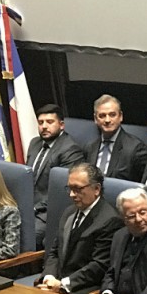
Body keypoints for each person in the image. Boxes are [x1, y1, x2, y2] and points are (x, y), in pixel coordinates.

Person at [37, 164, 123, 294]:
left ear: (96, 189)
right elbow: (55, 251)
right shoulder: (69, 212)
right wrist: (49, 276)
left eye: (77, 189)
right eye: (70, 188)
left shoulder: (109, 220)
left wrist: (63, 284)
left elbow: (99, 266)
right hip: (56, 283)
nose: (72, 194)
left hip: (83, 289)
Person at [26, 104, 85, 249]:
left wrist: (34, 208)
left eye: (50, 122)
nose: (44, 126)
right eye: (41, 123)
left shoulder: (70, 149)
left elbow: (61, 192)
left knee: (26, 236)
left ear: (61, 125)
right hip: (27, 206)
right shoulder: (34, 143)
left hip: (48, 211)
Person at [83, 95, 147, 182]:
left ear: (120, 116)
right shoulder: (89, 147)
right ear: (95, 119)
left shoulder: (136, 148)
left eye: (112, 115)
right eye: (102, 116)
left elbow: (146, 183)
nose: (107, 120)